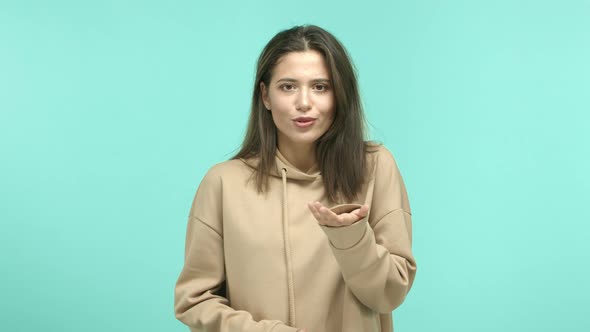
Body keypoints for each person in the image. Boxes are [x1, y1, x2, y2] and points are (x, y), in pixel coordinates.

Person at [174, 24, 417, 332]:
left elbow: (389, 294)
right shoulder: (223, 183)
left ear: (340, 95)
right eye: (288, 87)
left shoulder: (375, 167)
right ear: (265, 95)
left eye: (321, 87)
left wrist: (351, 240)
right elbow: (194, 300)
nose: (304, 102)